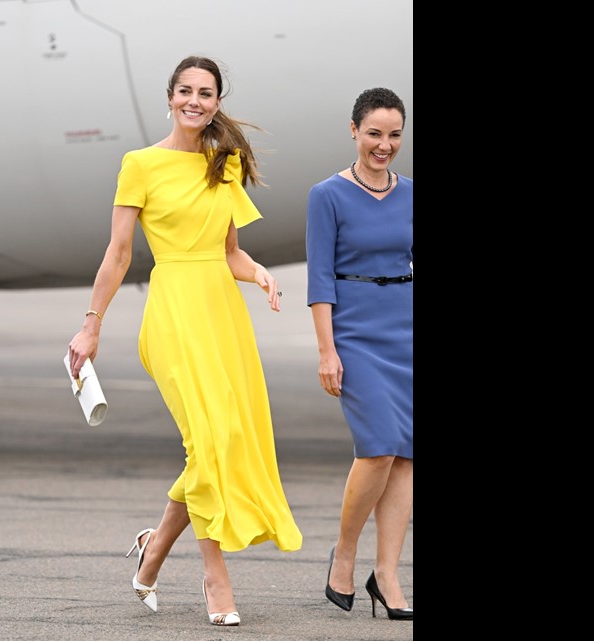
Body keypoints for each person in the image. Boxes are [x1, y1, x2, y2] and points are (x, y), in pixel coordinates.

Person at [67, 55, 303, 627]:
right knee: (210, 441)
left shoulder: (225, 165)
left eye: (207, 93)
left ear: (217, 102)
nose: (196, 100)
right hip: (171, 314)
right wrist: (91, 320)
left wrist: (261, 273)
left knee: (217, 442)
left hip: (222, 314)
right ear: (170, 97)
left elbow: (230, 253)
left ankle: (152, 553)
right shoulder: (140, 164)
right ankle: (214, 579)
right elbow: (119, 253)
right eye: (186, 91)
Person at [305, 87, 413, 620]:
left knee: (406, 456)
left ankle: (388, 574)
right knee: (378, 448)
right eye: (375, 133)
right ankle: (344, 553)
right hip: (354, 330)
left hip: (406, 329)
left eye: (394, 135)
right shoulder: (326, 195)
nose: (384, 144)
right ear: (354, 131)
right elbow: (320, 279)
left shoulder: (412, 193)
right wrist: (328, 351)